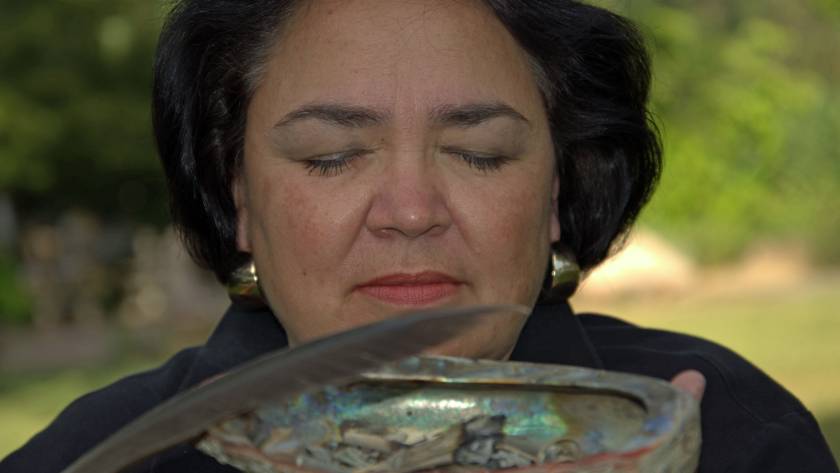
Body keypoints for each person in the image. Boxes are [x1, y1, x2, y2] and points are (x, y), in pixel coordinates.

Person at [2, 0, 837, 472]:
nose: (409, 209)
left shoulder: (733, 434)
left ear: (555, 191)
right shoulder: (96, 461)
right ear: (241, 198)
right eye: (332, 157)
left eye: (478, 154)